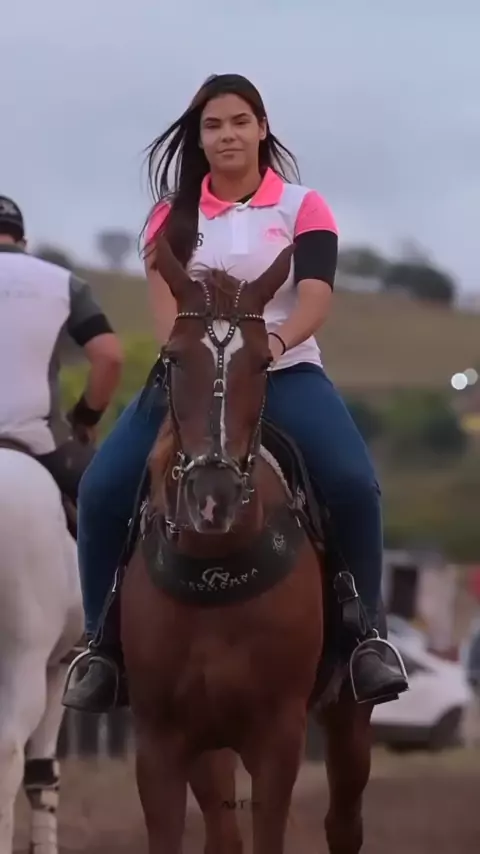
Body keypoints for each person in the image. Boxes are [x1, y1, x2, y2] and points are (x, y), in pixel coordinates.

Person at [63, 73, 409, 712]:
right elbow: (167, 318)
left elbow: (315, 298)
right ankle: (101, 644)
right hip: (192, 379)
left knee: (354, 483)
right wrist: (195, 366)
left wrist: (272, 346)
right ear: (199, 139)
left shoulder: (303, 207)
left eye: (240, 122)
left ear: (262, 128)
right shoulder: (171, 216)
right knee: (102, 489)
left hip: (285, 369)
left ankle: (368, 637)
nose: (227, 135)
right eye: (214, 126)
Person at [0, 195, 123, 506]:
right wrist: (84, 418)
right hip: (41, 442)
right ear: (23, 242)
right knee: (114, 507)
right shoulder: (64, 283)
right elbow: (109, 357)